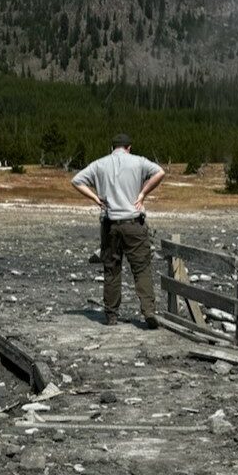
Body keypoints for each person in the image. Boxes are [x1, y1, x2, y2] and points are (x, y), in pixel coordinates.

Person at [71, 133, 166, 328]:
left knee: (112, 269)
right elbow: (160, 172)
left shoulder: (99, 164)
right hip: (134, 221)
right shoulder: (138, 162)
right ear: (129, 147)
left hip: (110, 223)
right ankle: (148, 310)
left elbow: (77, 180)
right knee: (141, 268)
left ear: (112, 147)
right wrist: (142, 194)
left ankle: (111, 315)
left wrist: (96, 199)